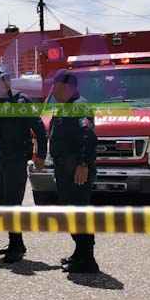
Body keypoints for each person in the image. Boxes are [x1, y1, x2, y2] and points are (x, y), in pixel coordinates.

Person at [0, 65, 47, 263]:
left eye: (8, 77)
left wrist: (40, 155)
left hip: (15, 159)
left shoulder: (22, 101)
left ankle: (16, 246)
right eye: (2, 78)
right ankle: (15, 242)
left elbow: (39, 128)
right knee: (4, 202)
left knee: (13, 203)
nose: (6, 81)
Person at [48, 69, 99, 274]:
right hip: (64, 170)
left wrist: (83, 164)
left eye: (57, 87)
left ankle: (87, 260)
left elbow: (88, 136)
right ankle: (79, 253)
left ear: (69, 87)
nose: (54, 91)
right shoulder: (65, 107)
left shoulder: (80, 107)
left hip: (76, 170)